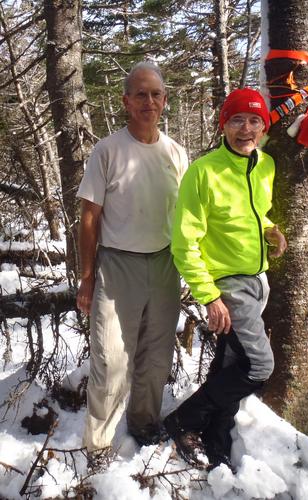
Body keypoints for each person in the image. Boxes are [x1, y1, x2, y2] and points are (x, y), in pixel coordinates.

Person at [163, 88, 287, 472]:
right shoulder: (205, 172)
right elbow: (184, 243)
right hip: (228, 285)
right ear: (224, 125)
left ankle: (217, 439)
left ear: (263, 127)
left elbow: (252, 213)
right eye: (237, 120)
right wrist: (209, 296)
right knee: (258, 366)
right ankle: (184, 420)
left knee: (231, 362)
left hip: (257, 280)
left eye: (254, 121)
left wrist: (268, 229)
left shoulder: (264, 165)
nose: (246, 129)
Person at [76, 61, 188, 469]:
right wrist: (87, 277)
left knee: (156, 356)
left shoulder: (177, 153)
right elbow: (89, 217)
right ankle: (100, 445)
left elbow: (190, 217)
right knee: (111, 357)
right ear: (126, 101)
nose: (149, 101)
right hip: (117, 264)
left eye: (155, 94)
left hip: (164, 264)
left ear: (164, 100)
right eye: (140, 94)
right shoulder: (107, 150)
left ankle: (144, 423)